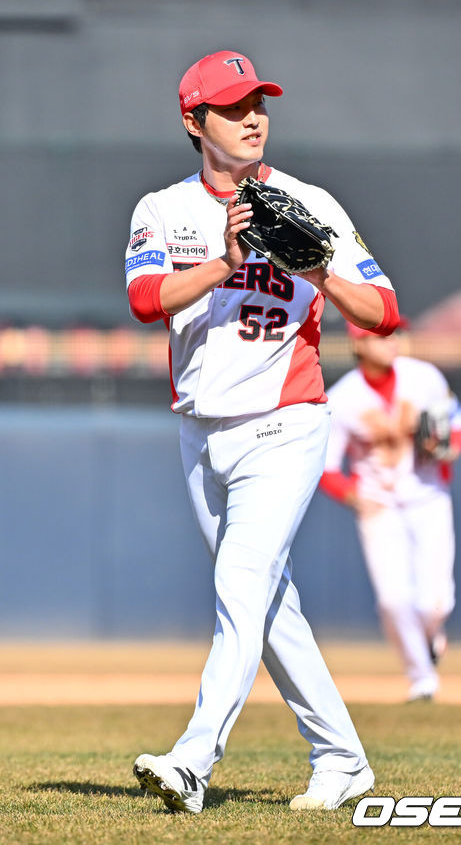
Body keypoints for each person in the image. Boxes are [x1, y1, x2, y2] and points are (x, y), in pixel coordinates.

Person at [124, 49, 400, 814]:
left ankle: (192, 761)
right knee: (269, 605)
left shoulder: (309, 203)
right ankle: (343, 758)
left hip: (286, 423)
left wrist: (319, 271)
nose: (253, 118)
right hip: (200, 433)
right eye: (233, 106)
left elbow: (384, 312)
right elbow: (145, 300)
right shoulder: (163, 209)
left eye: (259, 103)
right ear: (194, 121)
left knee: (240, 582)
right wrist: (227, 261)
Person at [320, 321, 461, 702]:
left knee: (436, 602)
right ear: (358, 344)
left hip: (429, 496)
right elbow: (326, 466)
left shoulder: (424, 377)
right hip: (379, 504)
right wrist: (353, 496)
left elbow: (457, 422)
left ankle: (430, 635)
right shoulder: (342, 398)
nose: (391, 341)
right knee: (392, 600)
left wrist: (451, 447)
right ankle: (422, 679)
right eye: (380, 335)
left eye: (394, 333)